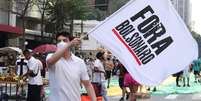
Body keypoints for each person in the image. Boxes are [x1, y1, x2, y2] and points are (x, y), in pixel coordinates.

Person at [46, 32, 96, 101]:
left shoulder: (79, 62)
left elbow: (87, 85)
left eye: (64, 40)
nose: (61, 43)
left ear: (71, 42)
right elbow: (50, 62)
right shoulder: (51, 56)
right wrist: (68, 45)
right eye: (59, 41)